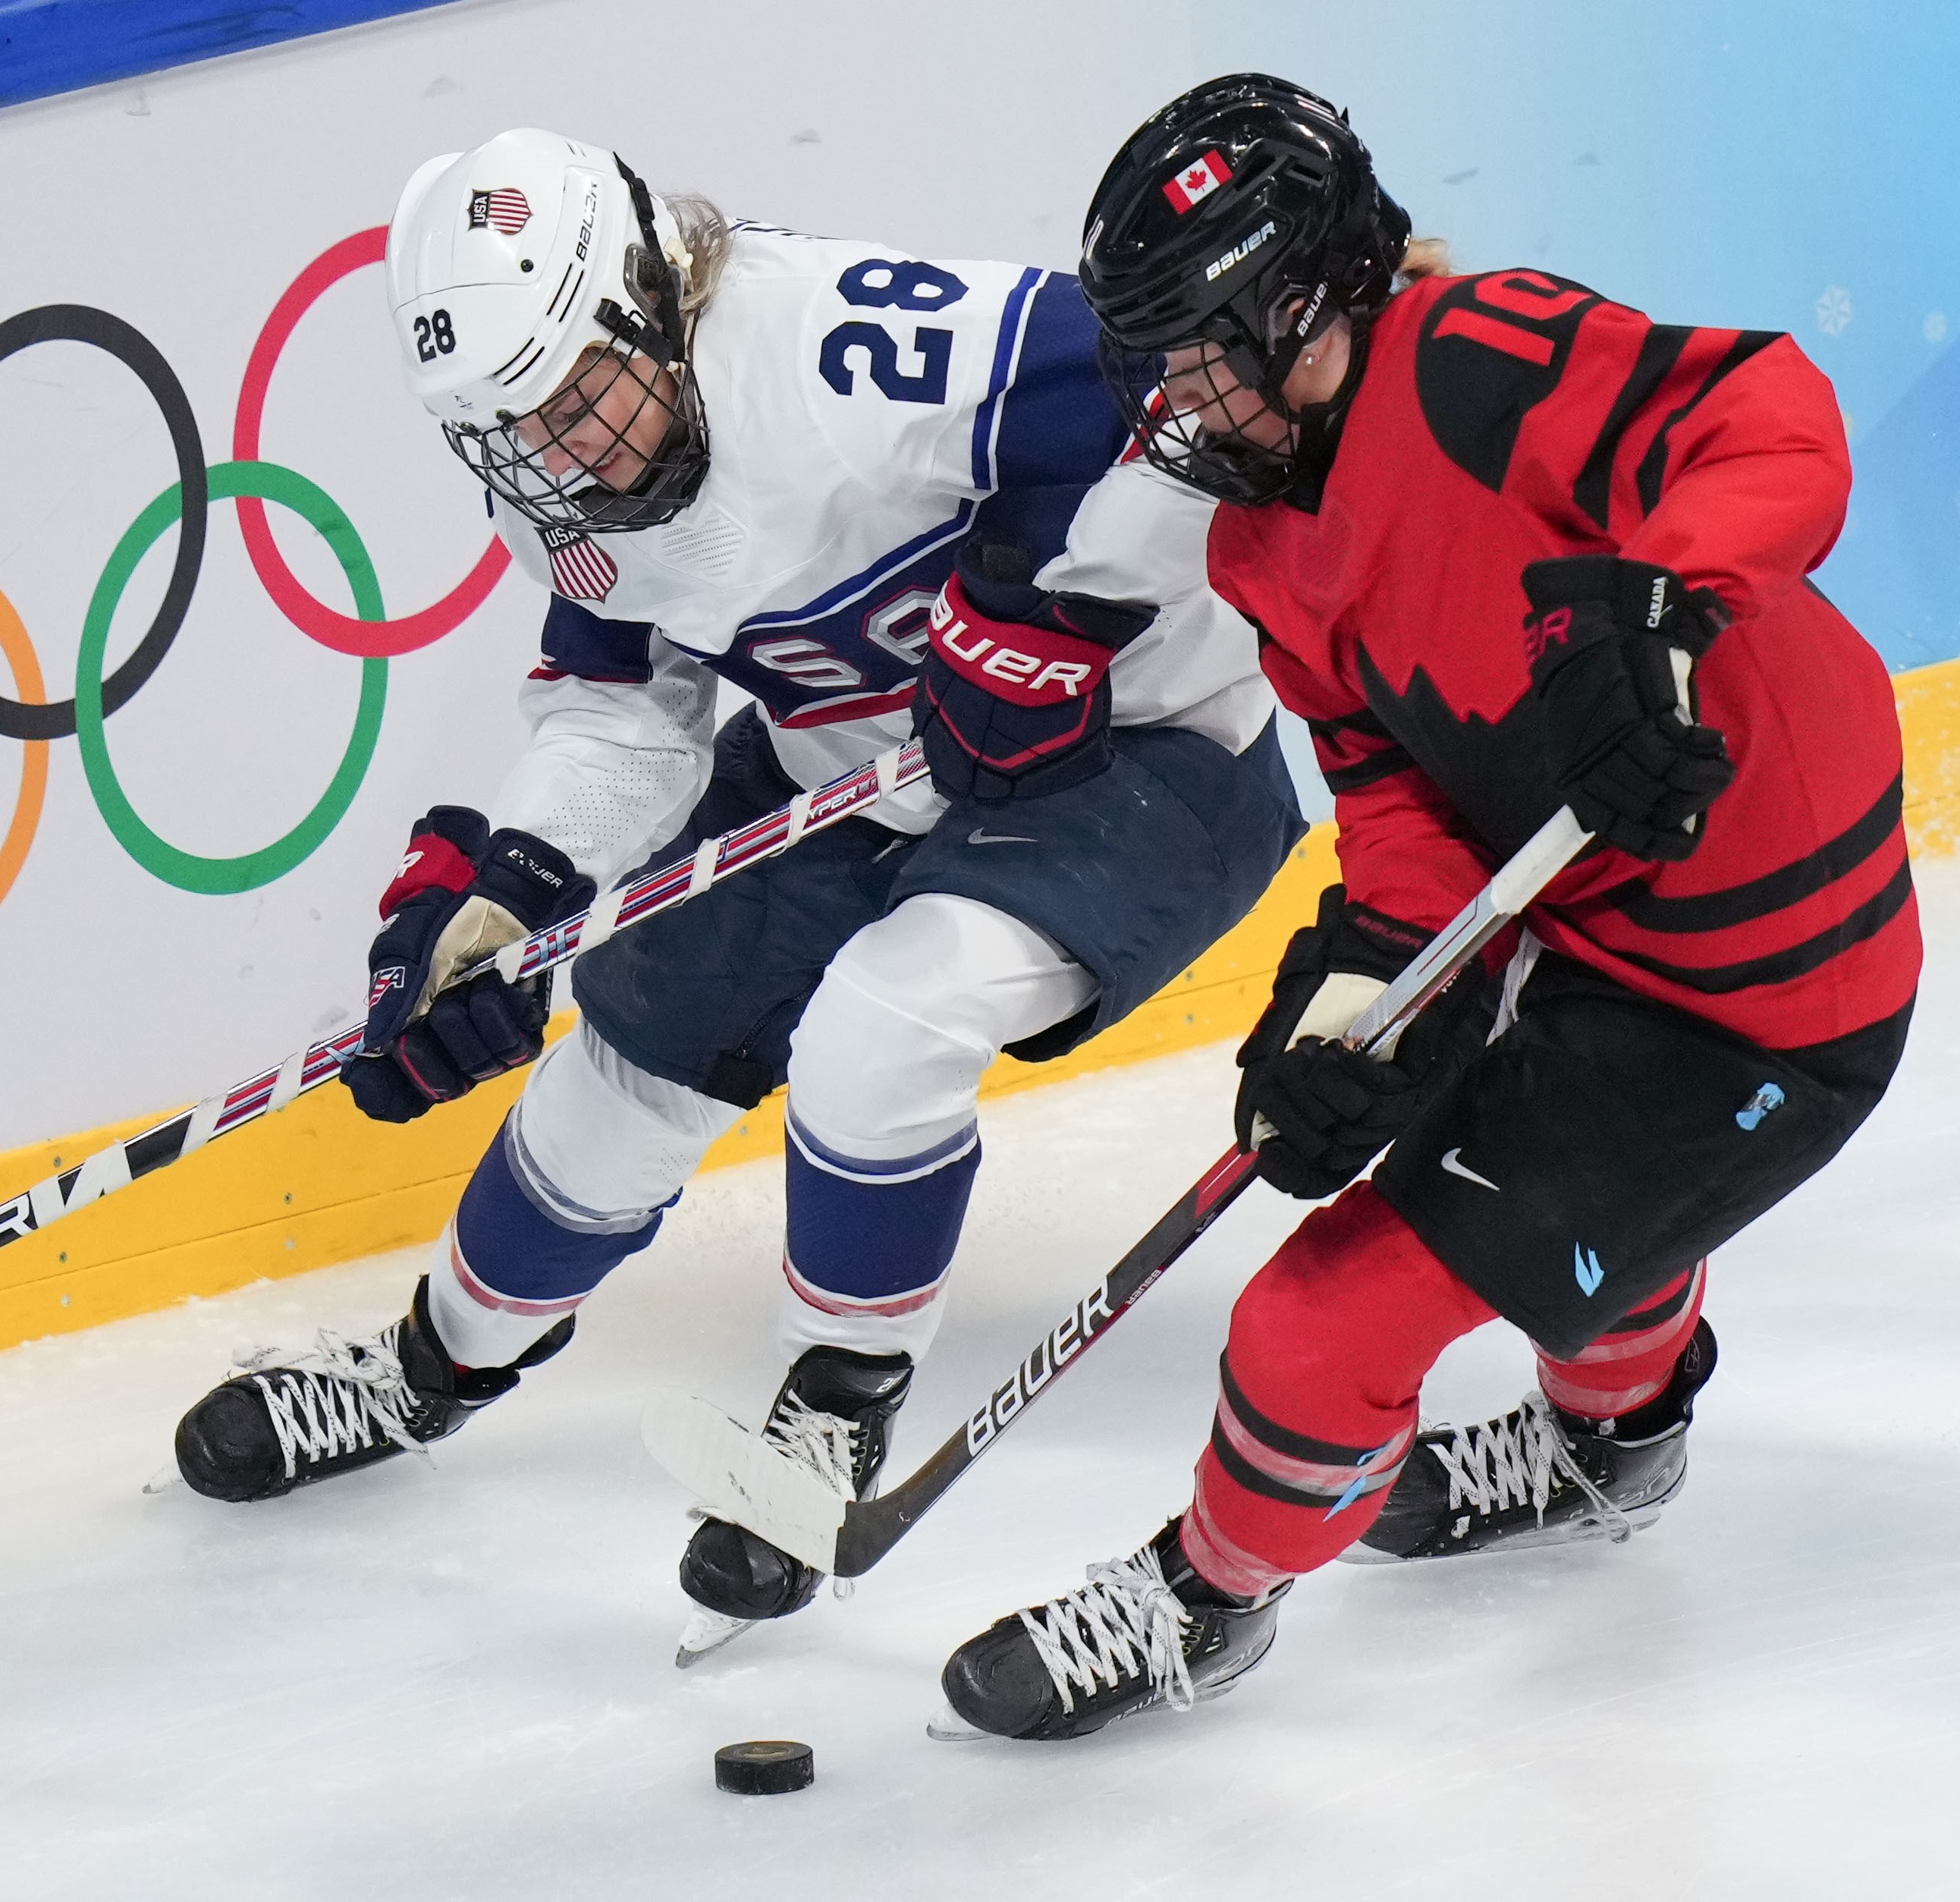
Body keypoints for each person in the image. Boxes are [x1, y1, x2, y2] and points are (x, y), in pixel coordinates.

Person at [168, 128, 1305, 1655]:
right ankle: (428, 1369)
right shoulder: (560, 481)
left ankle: (835, 1408)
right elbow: (622, 713)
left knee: (884, 1025)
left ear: (651, 295)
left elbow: (1145, 383)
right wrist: (512, 898)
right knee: (619, 1066)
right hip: (847, 763)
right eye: (513, 430)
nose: (562, 455)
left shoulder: (842, 349)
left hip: (1142, 752)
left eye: (578, 396)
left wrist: (1045, 612)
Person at [938, 74, 1918, 1740]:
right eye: (1159, 356)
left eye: (1208, 344)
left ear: (1310, 298)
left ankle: (1207, 1598)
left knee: (1314, 1330)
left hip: (1773, 1004)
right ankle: (1618, 1437)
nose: (1180, 392)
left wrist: (1659, 602)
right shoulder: (1259, 546)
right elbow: (1401, 811)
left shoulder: (1476, 358)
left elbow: (1769, 411)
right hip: (1599, 942)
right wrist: (1363, 998)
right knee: (1502, 1188)